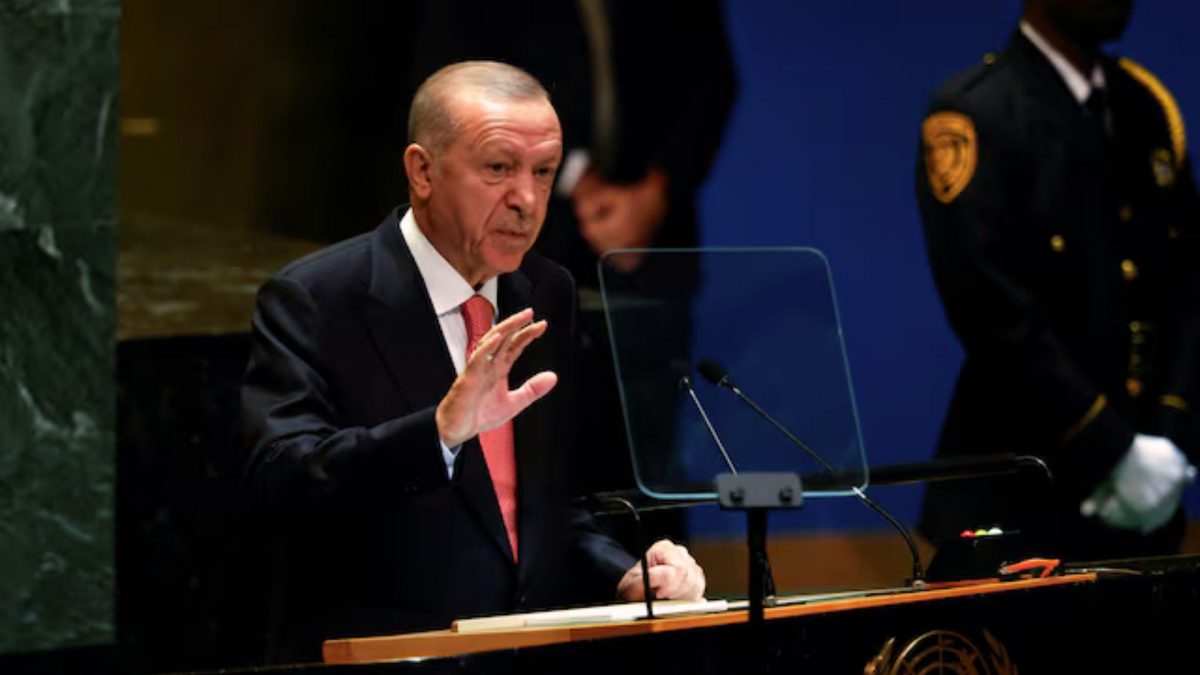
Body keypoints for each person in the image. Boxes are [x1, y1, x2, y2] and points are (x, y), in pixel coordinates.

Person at [241, 61, 705, 662]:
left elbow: (542, 508)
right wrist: (439, 433)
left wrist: (625, 573)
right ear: (423, 171)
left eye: (543, 172)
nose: (527, 200)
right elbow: (282, 483)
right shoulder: (319, 298)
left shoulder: (547, 291)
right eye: (498, 168)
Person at [916, 0, 1199, 561]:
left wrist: (1170, 437)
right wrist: (1111, 447)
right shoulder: (979, 110)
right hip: (1019, 493)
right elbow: (988, 308)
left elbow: (1187, 286)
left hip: (1148, 500)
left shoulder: (1144, 106)